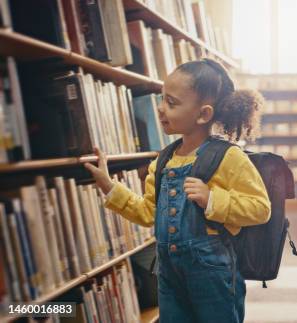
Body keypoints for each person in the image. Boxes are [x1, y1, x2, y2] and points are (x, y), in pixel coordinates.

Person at [84, 58, 271, 322]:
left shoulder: (229, 157)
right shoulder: (162, 161)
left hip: (213, 274)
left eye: (171, 103)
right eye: (162, 99)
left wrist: (212, 199)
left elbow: (261, 209)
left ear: (203, 114)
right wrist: (110, 188)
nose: (160, 109)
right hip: (168, 273)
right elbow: (148, 213)